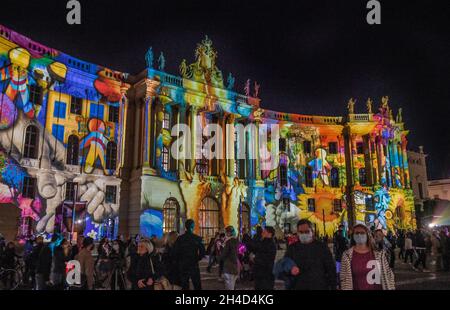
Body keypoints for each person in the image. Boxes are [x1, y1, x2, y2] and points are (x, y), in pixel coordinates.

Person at [284, 219, 336, 290]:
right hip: (298, 286)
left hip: (319, 286)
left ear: (312, 232)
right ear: (297, 233)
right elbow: (285, 265)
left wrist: (333, 286)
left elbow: (331, 268)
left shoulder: (322, 247)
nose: (304, 234)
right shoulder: (292, 248)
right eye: (301, 232)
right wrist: (290, 269)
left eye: (306, 231)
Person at [340, 224, 395, 290]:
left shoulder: (379, 254)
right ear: (353, 236)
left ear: (367, 235)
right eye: (357, 233)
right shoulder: (347, 255)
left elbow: (389, 275)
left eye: (362, 233)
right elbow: (344, 278)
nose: (359, 235)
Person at [173, 219, 205, 290]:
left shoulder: (180, 238)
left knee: (184, 285)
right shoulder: (197, 238)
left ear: (185, 226)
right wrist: (197, 258)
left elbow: (175, 252)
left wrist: (179, 260)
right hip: (193, 264)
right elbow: (203, 252)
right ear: (193, 226)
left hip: (183, 264)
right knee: (197, 285)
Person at [220, 226, 239, 290]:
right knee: (232, 284)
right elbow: (242, 251)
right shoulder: (237, 241)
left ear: (228, 233)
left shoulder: (228, 242)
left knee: (229, 286)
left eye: (226, 232)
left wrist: (220, 256)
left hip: (228, 265)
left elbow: (224, 254)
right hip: (235, 266)